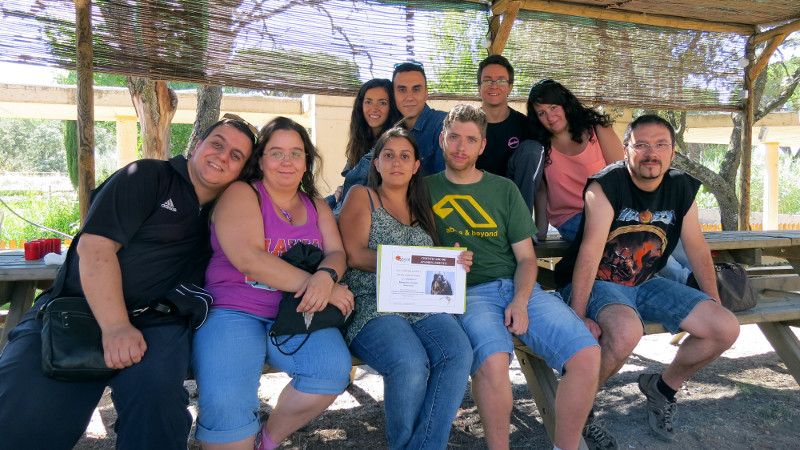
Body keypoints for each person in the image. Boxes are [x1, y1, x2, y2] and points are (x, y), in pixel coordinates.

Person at [0, 117, 257, 449]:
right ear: (196, 146)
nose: (223, 156)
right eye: (217, 144)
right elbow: (95, 247)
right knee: (26, 410)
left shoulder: (229, 211)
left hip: (159, 322)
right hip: (80, 309)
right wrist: (116, 326)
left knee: (157, 407)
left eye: (236, 155)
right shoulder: (150, 176)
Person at [426, 104, 604, 450]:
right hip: (468, 294)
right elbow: (410, 253)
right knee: (492, 363)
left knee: (586, 355)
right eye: (454, 138)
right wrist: (442, 263)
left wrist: (520, 301)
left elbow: (525, 258)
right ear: (441, 140)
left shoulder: (504, 190)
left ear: (482, 145)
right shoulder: (422, 191)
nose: (461, 147)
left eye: (470, 140)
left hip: (520, 288)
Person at [554, 115, 740, 443]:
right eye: (640, 144)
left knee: (724, 327)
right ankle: (578, 406)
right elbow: (590, 251)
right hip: (599, 282)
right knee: (626, 332)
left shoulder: (682, 187)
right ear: (626, 150)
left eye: (660, 145)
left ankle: (662, 389)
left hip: (647, 281)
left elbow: (696, 247)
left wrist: (713, 300)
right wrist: (578, 314)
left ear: (672, 152)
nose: (650, 152)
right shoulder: (605, 185)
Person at [191, 117, 355, 450]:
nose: (286, 161)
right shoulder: (241, 192)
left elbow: (337, 252)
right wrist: (320, 284)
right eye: (276, 152)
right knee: (226, 403)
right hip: (235, 309)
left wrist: (326, 277)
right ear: (261, 158)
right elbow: (249, 259)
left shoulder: (316, 205)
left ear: (306, 161)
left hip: (296, 311)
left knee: (330, 371)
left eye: (296, 153)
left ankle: (266, 441)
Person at [338, 127, 473, 449]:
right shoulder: (362, 195)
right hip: (372, 302)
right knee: (410, 363)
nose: (396, 162)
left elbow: (429, 266)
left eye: (404, 156)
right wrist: (415, 263)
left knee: (458, 352)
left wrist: (452, 263)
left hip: (422, 303)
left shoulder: (421, 206)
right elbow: (353, 254)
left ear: (416, 165)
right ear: (377, 164)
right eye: (388, 155)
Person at [526, 79, 623, 241]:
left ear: (566, 104)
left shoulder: (597, 131)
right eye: (542, 113)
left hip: (610, 213)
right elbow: (541, 191)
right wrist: (540, 232)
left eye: (553, 107)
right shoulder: (540, 147)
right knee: (619, 238)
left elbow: (622, 176)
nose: (550, 117)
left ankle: (675, 266)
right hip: (570, 219)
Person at [477, 54, 543, 214]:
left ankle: (521, 226)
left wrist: (541, 224)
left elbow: (539, 179)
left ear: (510, 87)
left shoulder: (525, 125)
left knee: (533, 148)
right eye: (487, 80)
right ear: (479, 87)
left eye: (501, 80)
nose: (494, 86)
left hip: (513, 201)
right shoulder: (467, 124)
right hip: (476, 196)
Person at [326, 78, 402, 216]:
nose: (374, 108)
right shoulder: (361, 142)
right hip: (345, 207)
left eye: (382, 103)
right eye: (368, 102)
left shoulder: (393, 143)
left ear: (392, 107)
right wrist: (344, 190)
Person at [393, 61, 447, 175]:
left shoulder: (443, 124)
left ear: (426, 93)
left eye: (416, 89)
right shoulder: (389, 127)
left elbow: (444, 181)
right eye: (402, 90)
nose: (409, 97)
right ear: (393, 94)